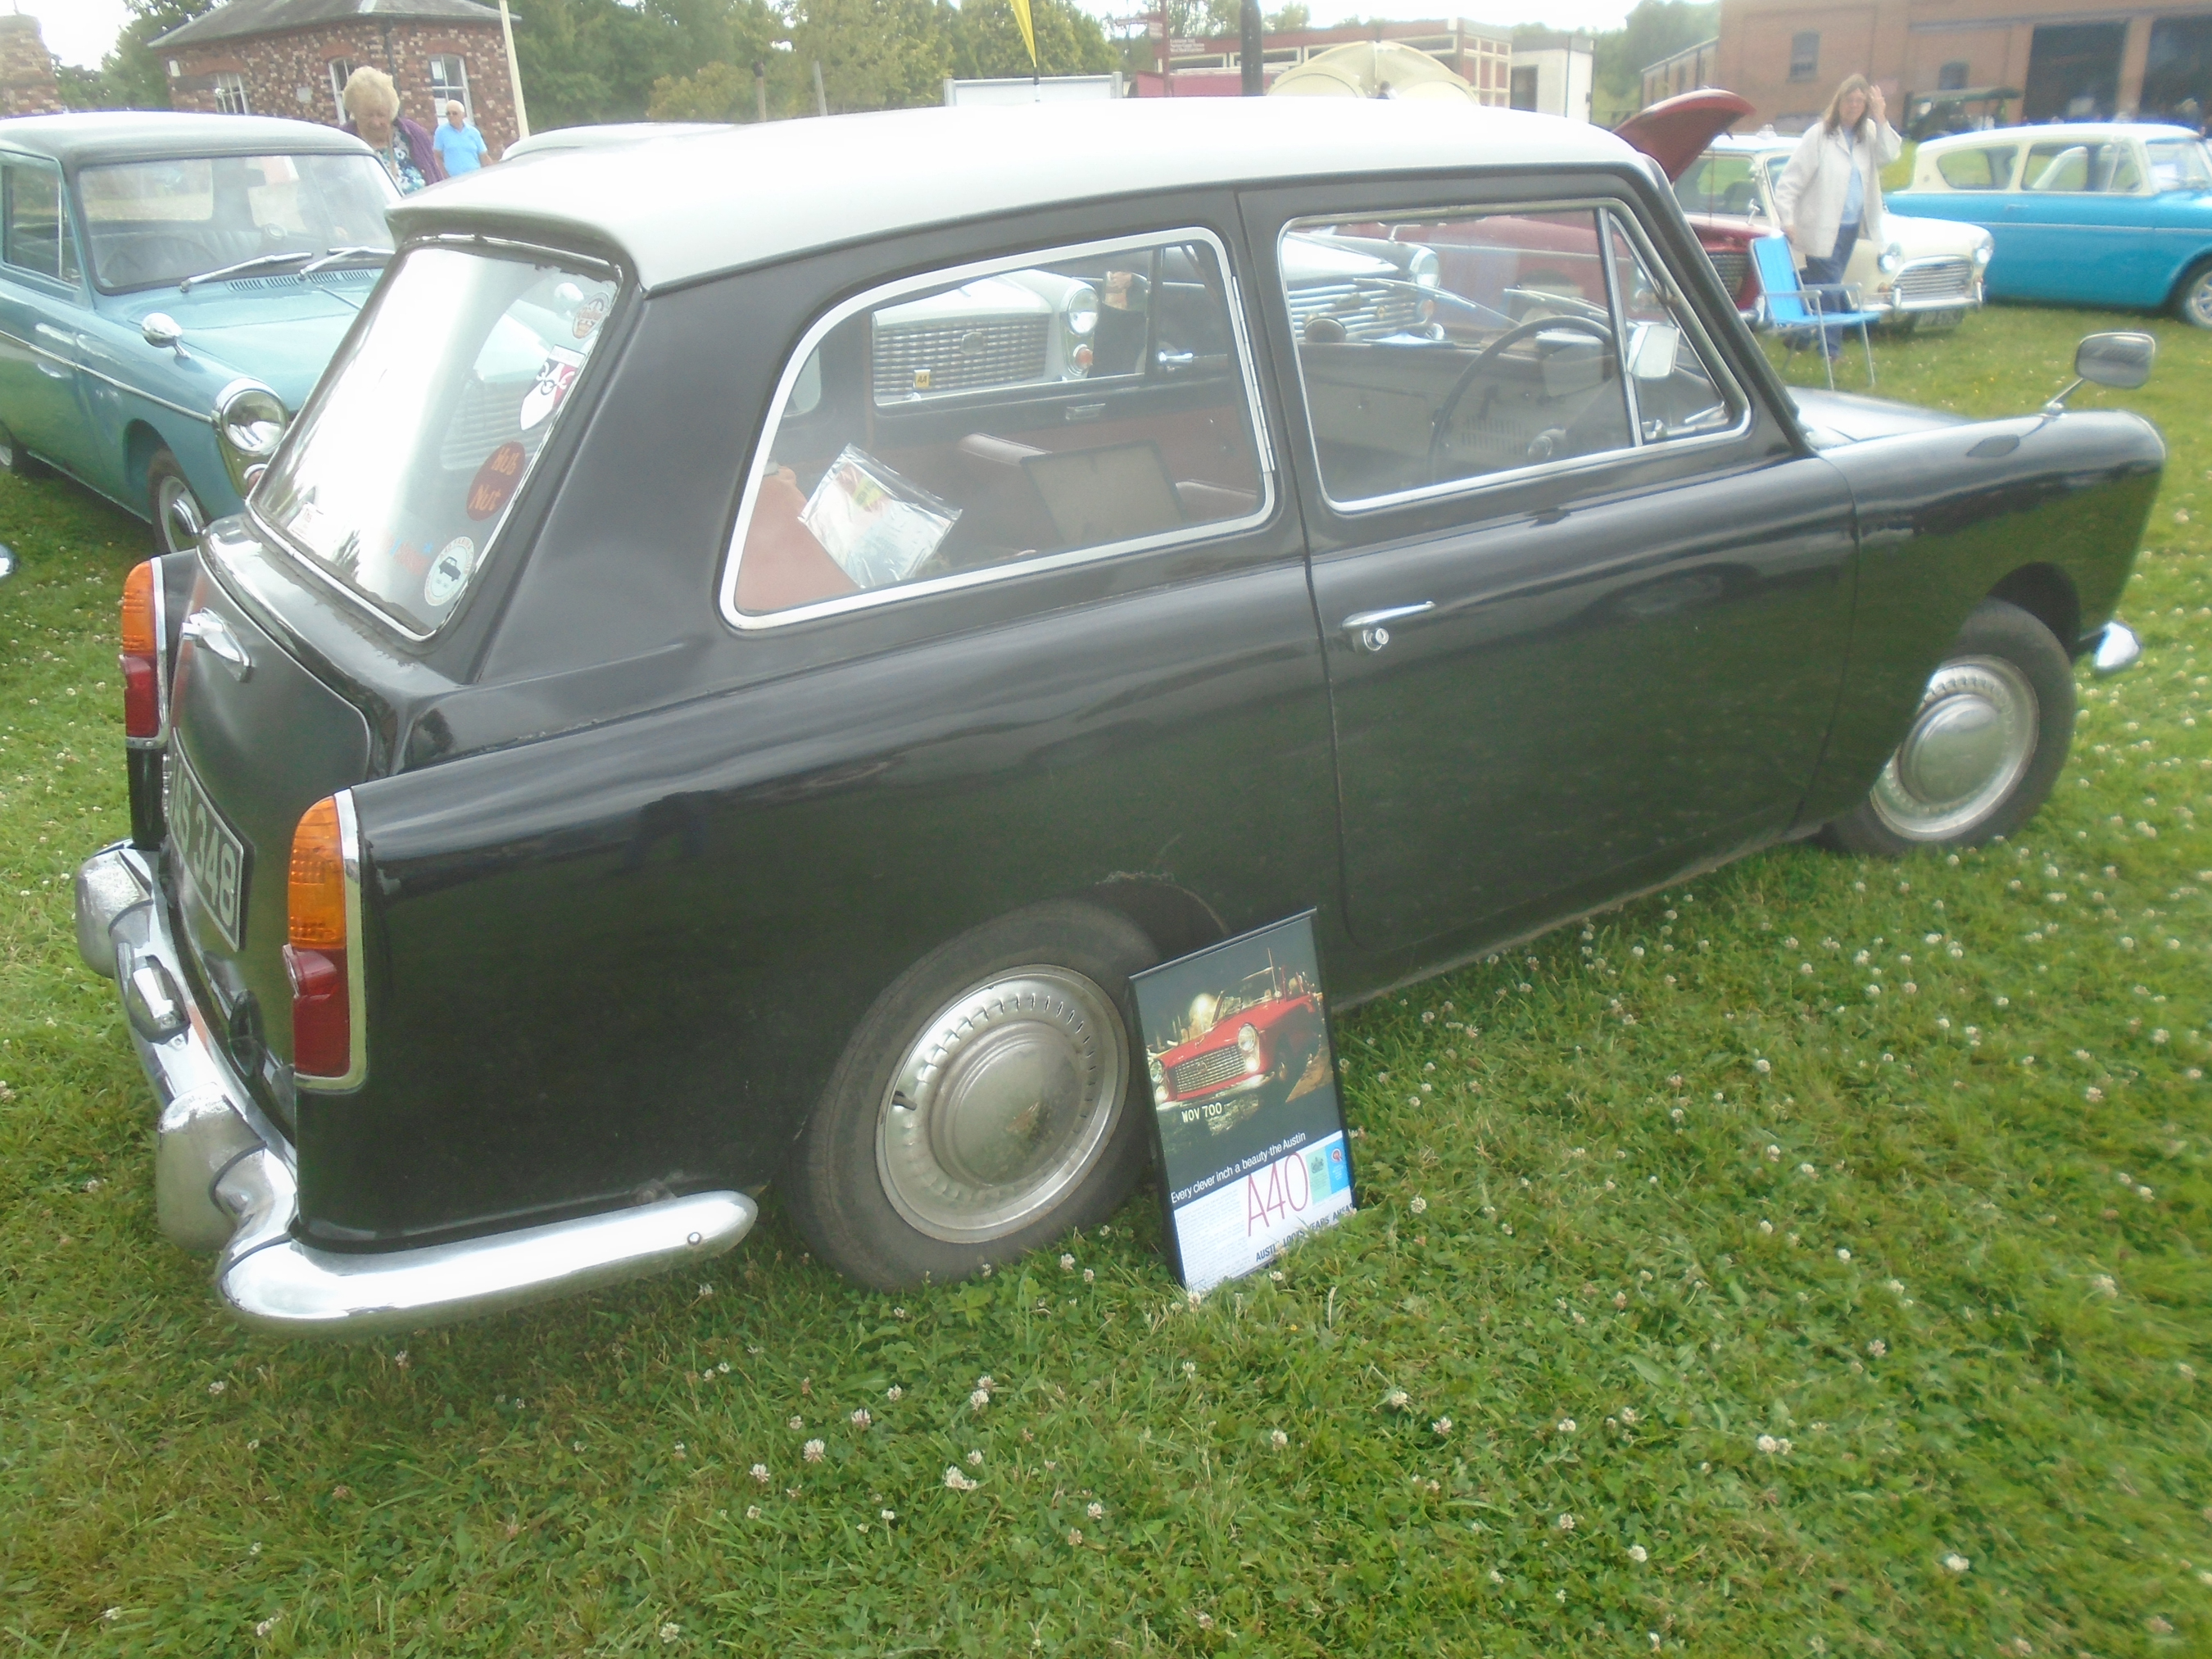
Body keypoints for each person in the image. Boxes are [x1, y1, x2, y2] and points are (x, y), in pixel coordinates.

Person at [1773, 74, 1901, 356]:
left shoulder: (1869, 133)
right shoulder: (1819, 135)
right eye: (1849, 100)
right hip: (1819, 226)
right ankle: (1831, 350)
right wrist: (1787, 219)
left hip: (1850, 227)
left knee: (1821, 286)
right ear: (1839, 102)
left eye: (1860, 101)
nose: (1853, 105)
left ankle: (1799, 335)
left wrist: (1881, 118)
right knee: (1830, 288)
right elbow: (1790, 181)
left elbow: (1889, 155)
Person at [341, 66, 444, 195]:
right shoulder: (342, 143)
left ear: (391, 112)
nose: (376, 122)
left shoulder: (413, 134)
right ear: (354, 112)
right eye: (367, 115)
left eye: (381, 115)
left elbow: (437, 183)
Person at [433, 101, 490, 175]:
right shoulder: (441, 132)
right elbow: (437, 157)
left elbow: (484, 156)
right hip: (454, 179)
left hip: (474, 176)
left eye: (454, 113)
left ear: (463, 115)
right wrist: (445, 176)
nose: (451, 116)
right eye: (448, 113)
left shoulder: (474, 132)